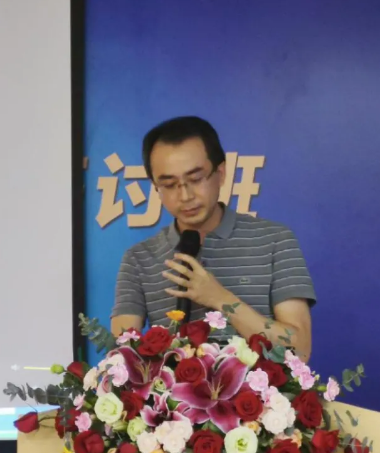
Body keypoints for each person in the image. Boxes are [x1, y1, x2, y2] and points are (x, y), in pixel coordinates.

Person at [110, 116, 317, 361]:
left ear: (220, 172)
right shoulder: (139, 259)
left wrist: (220, 298)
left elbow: (299, 349)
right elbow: (121, 356)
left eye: (196, 179)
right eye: (169, 184)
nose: (185, 195)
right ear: (156, 187)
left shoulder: (276, 241)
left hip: (261, 387)